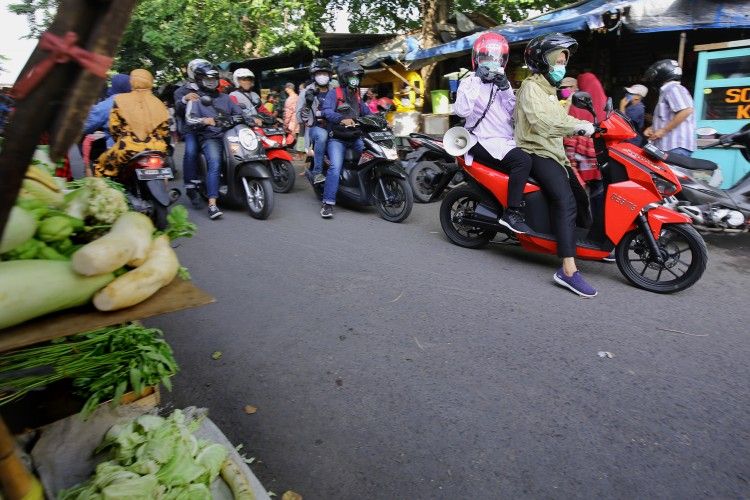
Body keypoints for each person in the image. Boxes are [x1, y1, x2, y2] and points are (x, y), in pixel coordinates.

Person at [514, 33, 599, 297]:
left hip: (556, 154)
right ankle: (568, 270)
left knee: (582, 199)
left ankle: (591, 247)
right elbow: (542, 124)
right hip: (536, 152)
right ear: (543, 61)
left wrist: (588, 123)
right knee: (566, 201)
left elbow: (562, 120)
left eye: (564, 61)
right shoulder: (530, 88)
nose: (562, 66)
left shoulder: (550, 91)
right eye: (557, 61)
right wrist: (578, 126)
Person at [454, 32, 533, 234]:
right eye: (486, 58)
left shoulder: (502, 84)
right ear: (477, 59)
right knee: (522, 161)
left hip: (505, 140)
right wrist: (477, 81)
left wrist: (506, 88)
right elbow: (462, 111)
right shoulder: (469, 82)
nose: (492, 63)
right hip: (482, 139)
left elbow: (515, 114)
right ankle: (512, 212)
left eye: (496, 59)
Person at [185, 63, 244, 220]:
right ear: (199, 80)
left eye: (214, 78)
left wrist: (246, 117)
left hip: (230, 135)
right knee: (215, 163)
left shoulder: (226, 98)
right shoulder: (195, 99)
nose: (211, 81)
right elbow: (190, 119)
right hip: (210, 137)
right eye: (207, 78)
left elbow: (239, 112)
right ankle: (212, 204)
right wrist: (206, 120)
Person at [320, 60, 372, 219]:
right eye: (354, 76)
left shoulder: (357, 95)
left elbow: (366, 112)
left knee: (371, 158)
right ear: (345, 77)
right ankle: (327, 203)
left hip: (355, 136)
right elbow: (326, 111)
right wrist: (341, 118)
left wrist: (381, 121)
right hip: (338, 138)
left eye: (358, 76)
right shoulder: (334, 93)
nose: (357, 79)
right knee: (335, 167)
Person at [94, 69, 169, 178]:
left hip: (128, 149)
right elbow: (164, 131)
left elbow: (114, 127)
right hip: (158, 149)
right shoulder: (158, 103)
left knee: (101, 166)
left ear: (132, 81)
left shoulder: (120, 100)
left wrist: (119, 139)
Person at [174, 58, 209, 209]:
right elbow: (178, 110)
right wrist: (184, 99)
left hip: (211, 128)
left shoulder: (210, 88)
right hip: (192, 129)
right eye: (200, 74)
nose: (204, 77)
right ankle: (190, 188)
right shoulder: (180, 91)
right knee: (191, 151)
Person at [643, 59, 696, 157]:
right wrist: (653, 128)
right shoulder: (667, 91)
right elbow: (667, 117)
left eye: (654, 76)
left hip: (676, 146)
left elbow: (686, 110)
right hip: (669, 146)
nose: (652, 80)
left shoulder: (673, 88)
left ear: (661, 75)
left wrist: (663, 130)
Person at [82, 73, 131, 174]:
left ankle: (97, 177)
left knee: (89, 143)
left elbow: (88, 124)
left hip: (118, 145)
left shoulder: (111, 102)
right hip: (148, 143)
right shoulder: (142, 99)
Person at [296, 58, 334, 185]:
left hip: (334, 126)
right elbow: (300, 118)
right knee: (322, 135)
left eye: (325, 73)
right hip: (315, 128)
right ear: (314, 75)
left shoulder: (335, 90)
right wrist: (308, 104)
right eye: (319, 73)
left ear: (330, 75)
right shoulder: (306, 92)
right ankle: (317, 172)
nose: (322, 76)